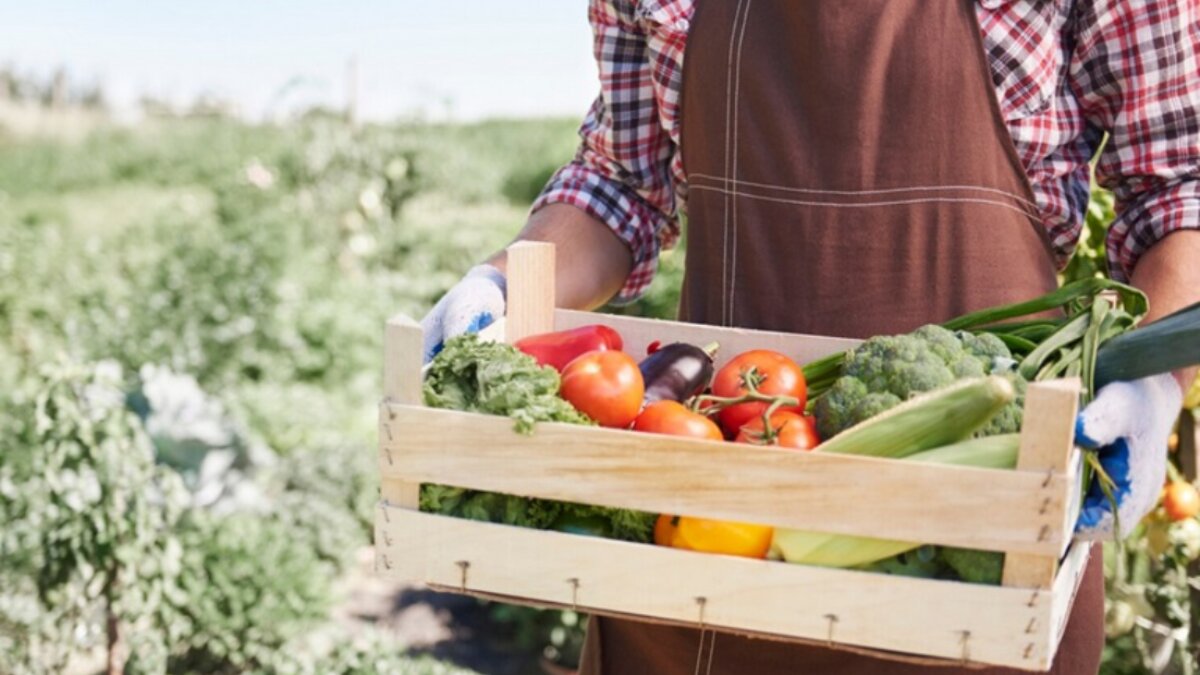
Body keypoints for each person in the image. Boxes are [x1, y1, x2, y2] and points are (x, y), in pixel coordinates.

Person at [421, 1, 1200, 672]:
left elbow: (1180, 188)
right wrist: (501, 284)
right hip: (707, 553)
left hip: (985, 556)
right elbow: (620, 182)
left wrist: (1153, 380)